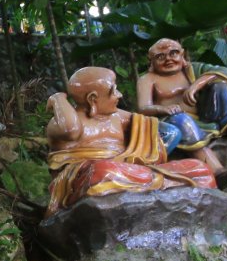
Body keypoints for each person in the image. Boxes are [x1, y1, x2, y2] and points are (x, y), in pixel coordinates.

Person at [45, 66, 216, 217]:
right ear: (92, 99)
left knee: (200, 169)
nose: (119, 95)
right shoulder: (63, 124)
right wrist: (58, 99)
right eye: (113, 91)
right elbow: (71, 129)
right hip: (95, 176)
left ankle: (160, 183)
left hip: (132, 172)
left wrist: (146, 153)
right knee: (101, 171)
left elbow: (166, 131)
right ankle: (167, 184)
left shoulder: (119, 117)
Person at [136, 38, 227, 169]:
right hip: (175, 120)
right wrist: (162, 109)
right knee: (183, 120)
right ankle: (217, 170)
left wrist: (196, 85)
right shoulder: (147, 79)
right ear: (152, 62)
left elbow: (226, 72)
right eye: (160, 57)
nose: (168, 59)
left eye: (173, 53)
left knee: (221, 84)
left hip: (205, 116)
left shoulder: (192, 69)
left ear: (182, 55)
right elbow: (143, 108)